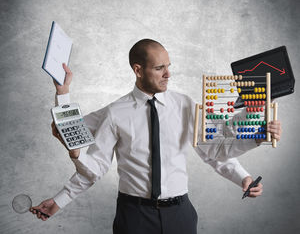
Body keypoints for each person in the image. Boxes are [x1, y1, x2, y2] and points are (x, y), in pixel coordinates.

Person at [30, 39, 281, 234]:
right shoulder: (115, 112)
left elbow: (213, 149)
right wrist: (63, 92)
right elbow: (90, 161)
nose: (168, 74)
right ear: (138, 70)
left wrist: (245, 171)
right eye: (160, 68)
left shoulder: (185, 105)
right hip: (134, 217)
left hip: (180, 215)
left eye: (168, 67)